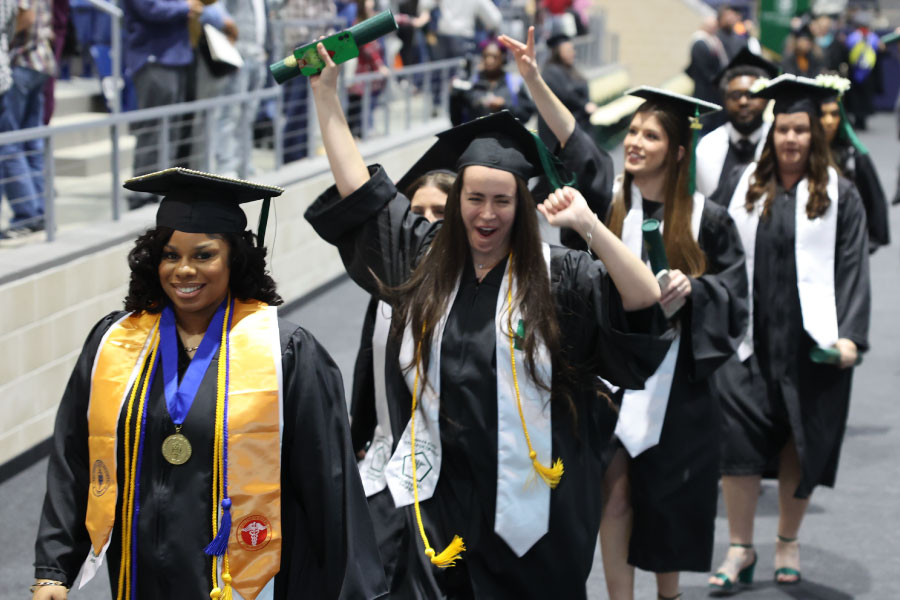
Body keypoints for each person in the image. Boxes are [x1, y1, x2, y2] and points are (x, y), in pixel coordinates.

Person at [305, 37, 672, 598]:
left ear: (522, 206)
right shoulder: (425, 261)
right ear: (458, 201)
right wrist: (326, 96)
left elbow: (643, 300)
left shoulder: (561, 276)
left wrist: (593, 227)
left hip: (535, 510)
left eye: (503, 200)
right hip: (437, 500)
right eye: (475, 198)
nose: (487, 213)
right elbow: (364, 195)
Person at [32, 168, 388, 600]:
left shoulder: (284, 352)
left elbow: (329, 483)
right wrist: (54, 568)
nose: (183, 270)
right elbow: (75, 458)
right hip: (137, 577)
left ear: (233, 259)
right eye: (170, 254)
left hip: (240, 583)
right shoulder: (116, 344)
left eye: (203, 255)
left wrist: (353, 590)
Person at [708, 74, 870, 594]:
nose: (792, 139)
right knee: (738, 445)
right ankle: (739, 547)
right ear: (771, 134)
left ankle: (787, 540)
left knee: (800, 441)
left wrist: (850, 337)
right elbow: (716, 253)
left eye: (801, 130)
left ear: (814, 136)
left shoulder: (841, 195)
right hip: (746, 339)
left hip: (809, 342)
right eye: (783, 129)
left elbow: (851, 269)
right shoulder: (742, 186)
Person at [597, 87, 748, 600]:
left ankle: (670, 595)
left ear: (679, 151)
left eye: (651, 135)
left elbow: (735, 293)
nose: (635, 142)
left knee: (666, 499)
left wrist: (696, 289)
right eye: (633, 131)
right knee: (613, 496)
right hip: (613, 373)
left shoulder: (708, 218)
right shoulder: (611, 209)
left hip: (677, 379)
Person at [123, 0, 230, 209]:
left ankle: (165, 186)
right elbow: (150, 8)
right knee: (154, 129)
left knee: (173, 130)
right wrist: (187, 7)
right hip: (154, 59)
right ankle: (144, 191)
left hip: (179, 57)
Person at [0, 0, 55, 237]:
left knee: (11, 143)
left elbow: (28, 16)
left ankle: (27, 214)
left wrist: (6, 39)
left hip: (22, 62)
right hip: (38, 63)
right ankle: (39, 212)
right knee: (31, 142)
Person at [695, 47, 780, 197]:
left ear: (766, 99)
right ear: (724, 99)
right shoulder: (707, 147)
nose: (743, 102)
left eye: (752, 95)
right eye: (735, 95)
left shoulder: (779, 142)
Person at [818, 74, 889, 251]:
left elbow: (875, 203)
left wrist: (863, 245)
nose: (828, 121)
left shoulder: (854, 156)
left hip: (847, 246)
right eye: (822, 114)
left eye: (834, 114)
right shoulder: (802, 156)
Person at [450, 39, 535, 125]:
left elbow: (526, 115)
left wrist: (504, 106)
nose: (489, 61)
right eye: (486, 56)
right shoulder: (471, 82)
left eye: (494, 57)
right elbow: (456, 120)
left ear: (503, 57)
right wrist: (454, 96)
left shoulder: (515, 83)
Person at [536, 34, 594, 149]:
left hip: (578, 127)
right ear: (558, 52)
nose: (573, 53)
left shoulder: (572, 70)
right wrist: (584, 105)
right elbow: (566, 95)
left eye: (572, 49)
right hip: (560, 133)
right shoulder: (550, 72)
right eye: (568, 50)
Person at [685, 15, 729, 133]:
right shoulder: (699, 42)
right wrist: (716, 79)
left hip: (713, 94)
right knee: (701, 125)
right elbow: (704, 69)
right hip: (703, 91)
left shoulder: (713, 41)